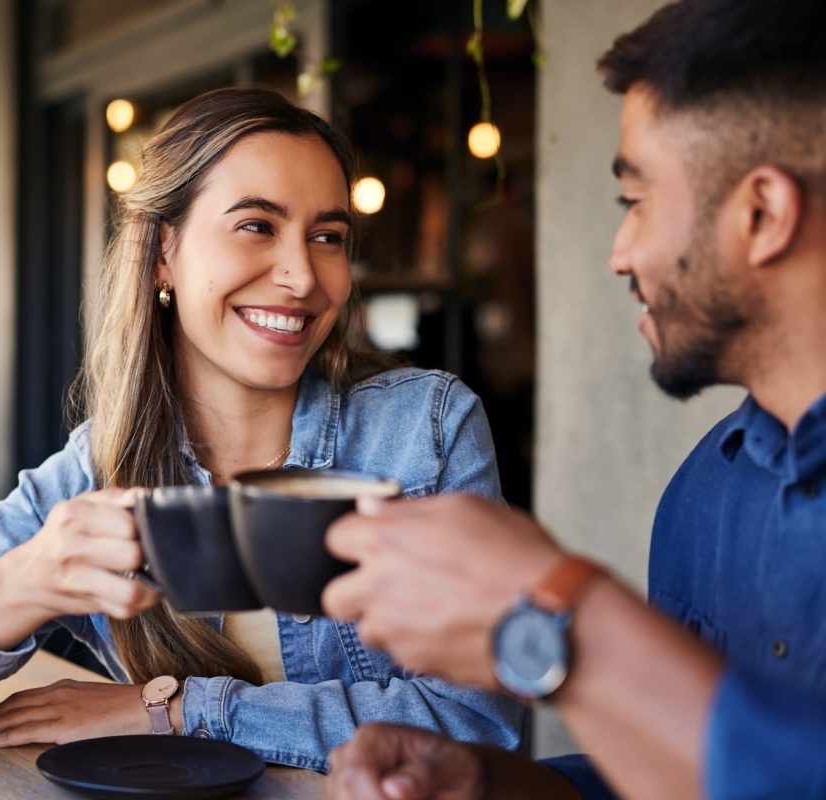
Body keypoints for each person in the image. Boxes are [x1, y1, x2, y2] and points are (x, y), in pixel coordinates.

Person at [0, 88, 525, 770]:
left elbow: (477, 724)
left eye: (328, 236)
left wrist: (178, 710)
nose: (302, 276)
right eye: (257, 226)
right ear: (162, 253)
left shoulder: (423, 429)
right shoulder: (99, 465)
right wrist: (22, 583)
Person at [320, 0, 826, 797]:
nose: (620, 254)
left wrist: (560, 616)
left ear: (761, 214)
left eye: (636, 202)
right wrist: (489, 784)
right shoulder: (705, 494)